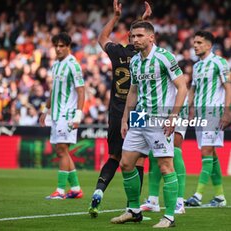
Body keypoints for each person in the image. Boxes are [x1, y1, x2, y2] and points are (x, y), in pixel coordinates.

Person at [110, 21, 187, 228]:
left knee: (164, 166)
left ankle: (169, 216)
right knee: (126, 163)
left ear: (151, 37)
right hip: (139, 117)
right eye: (133, 36)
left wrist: (174, 116)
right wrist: (125, 118)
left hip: (160, 118)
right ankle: (134, 211)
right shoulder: (134, 61)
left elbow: (182, 87)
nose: (135, 39)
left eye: (140, 36)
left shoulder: (164, 57)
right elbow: (133, 91)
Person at [88, 0, 151, 217]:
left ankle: (99, 191)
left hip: (116, 110)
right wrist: (144, 21)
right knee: (139, 158)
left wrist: (115, 17)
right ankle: (133, 206)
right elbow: (145, 39)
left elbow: (102, 38)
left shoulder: (117, 52)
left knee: (115, 157)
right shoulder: (141, 57)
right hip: (139, 110)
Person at [185, 31, 231, 207]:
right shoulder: (197, 67)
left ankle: (197, 195)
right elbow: (192, 90)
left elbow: (228, 88)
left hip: (214, 112)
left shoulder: (220, 62)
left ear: (208, 45)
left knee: (206, 151)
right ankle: (220, 197)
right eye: (194, 42)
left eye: (199, 42)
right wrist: (186, 109)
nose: (195, 45)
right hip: (199, 114)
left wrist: (227, 112)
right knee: (210, 153)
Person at [39, 32, 85, 199]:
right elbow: (53, 90)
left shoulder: (73, 65)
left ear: (68, 47)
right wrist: (45, 110)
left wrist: (78, 115)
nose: (58, 49)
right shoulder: (56, 65)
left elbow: (81, 91)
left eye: (61, 46)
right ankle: (75, 188)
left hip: (68, 114)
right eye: (56, 46)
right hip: (57, 115)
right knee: (61, 151)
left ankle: (60, 191)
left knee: (62, 150)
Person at [140, 98, 188, 214]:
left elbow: (183, 82)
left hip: (176, 106)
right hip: (155, 108)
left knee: (175, 150)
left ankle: (179, 202)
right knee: (154, 152)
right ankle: (153, 200)